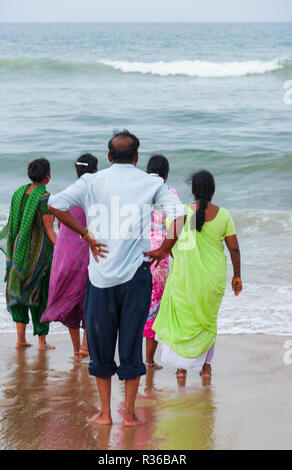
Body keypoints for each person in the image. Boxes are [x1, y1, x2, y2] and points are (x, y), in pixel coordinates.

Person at [48, 130, 186, 426]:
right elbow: (180, 214)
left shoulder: (91, 181)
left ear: (109, 157)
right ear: (137, 157)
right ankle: (130, 415)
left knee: (100, 347)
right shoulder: (151, 182)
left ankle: (106, 414)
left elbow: (54, 204)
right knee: (131, 344)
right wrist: (166, 247)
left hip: (100, 280)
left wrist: (85, 234)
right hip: (136, 278)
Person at [153, 170, 242, 379]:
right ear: (213, 191)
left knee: (183, 320)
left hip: (186, 277)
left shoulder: (182, 213)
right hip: (213, 279)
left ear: (192, 190)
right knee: (208, 321)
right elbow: (234, 249)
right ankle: (207, 367)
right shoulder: (224, 215)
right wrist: (237, 276)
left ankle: (181, 369)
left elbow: (171, 243)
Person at [41, 154, 98, 359]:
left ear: (76, 171)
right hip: (85, 254)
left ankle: (76, 350)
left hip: (64, 254)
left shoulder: (67, 193)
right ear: (95, 171)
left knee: (70, 303)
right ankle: (85, 346)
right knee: (89, 301)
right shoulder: (94, 195)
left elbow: (59, 223)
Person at [0, 158, 57, 350]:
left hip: (18, 253)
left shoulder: (18, 193)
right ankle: (41, 342)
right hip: (39, 256)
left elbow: (13, 223)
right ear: (47, 176)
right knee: (40, 296)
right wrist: (63, 250)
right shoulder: (45, 198)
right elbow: (49, 229)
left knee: (20, 293)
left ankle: (20, 340)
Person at [143, 155, 179, 370]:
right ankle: (148, 360)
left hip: (137, 253)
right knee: (155, 307)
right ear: (166, 175)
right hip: (161, 256)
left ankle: (129, 356)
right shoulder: (170, 194)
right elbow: (177, 229)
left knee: (134, 305)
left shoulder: (136, 190)